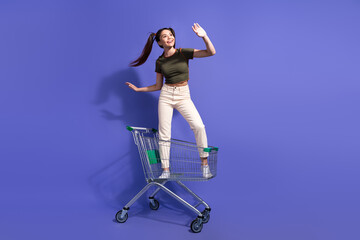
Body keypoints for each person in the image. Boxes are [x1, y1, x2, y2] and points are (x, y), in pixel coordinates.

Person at [125, 23, 216, 179]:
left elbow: (210, 52)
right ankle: (165, 170)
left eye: (171, 35)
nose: (169, 37)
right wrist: (138, 90)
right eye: (165, 36)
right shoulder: (160, 61)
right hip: (166, 95)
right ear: (160, 43)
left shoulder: (183, 52)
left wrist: (204, 36)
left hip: (183, 95)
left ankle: (204, 164)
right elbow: (158, 86)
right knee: (164, 133)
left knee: (199, 126)